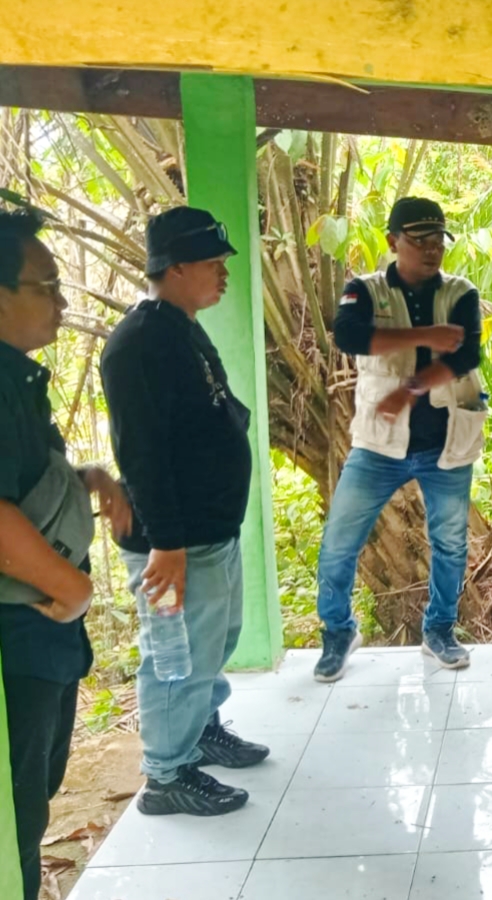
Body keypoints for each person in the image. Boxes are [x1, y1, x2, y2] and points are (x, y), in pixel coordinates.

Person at [101, 205, 269, 817]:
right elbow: (141, 454)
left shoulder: (179, 324)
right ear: (173, 269)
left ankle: (200, 729)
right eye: (213, 263)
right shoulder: (138, 345)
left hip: (208, 533)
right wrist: (167, 545)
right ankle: (167, 774)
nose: (224, 273)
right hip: (171, 546)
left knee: (213, 643)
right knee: (175, 657)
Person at [0, 206, 130, 900]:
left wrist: (91, 481)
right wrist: (74, 590)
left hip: (41, 633)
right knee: (17, 809)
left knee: (32, 794)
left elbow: (21, 482)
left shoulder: (17, 379)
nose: (61, 300)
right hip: (22, 631)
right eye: (45, 286)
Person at [312, 197, 486, 682]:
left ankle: (440, 631)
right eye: (420, 241)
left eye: (439, 241)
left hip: (446, 443)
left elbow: (464, 354)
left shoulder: (461, 293)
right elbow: (349, 336)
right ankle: (338, 632)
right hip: (378, 446)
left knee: (450, 544)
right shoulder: (364, 291)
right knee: (340, 541)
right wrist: (425, 334)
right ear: (393, 242)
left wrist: (409, 390)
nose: (432, 251)